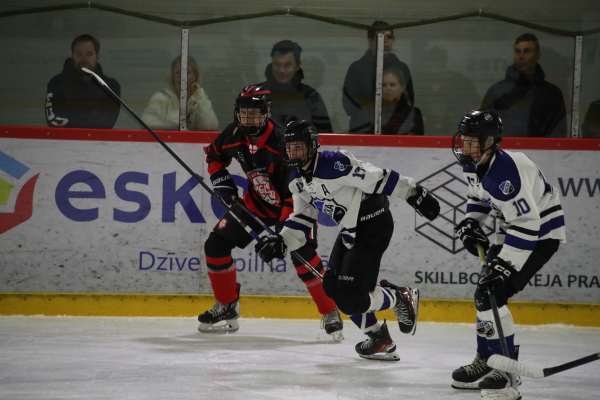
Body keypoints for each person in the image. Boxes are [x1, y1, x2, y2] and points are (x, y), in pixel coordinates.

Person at [254, 120, 440, 361]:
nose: (293, 153)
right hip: (350, 230)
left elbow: (377, 178)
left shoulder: (334, 163)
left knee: (353, 298)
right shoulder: (296, 178)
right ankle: (379, 339)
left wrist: (413, 192)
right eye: (289, 148)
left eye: (298, 147)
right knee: (333, 287)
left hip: (373, 225)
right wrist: (283, 240)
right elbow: (304, 214)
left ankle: (400, 297)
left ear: (312, 146)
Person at [197, 86, 343, 341]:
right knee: (216, 245)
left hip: (295, 206)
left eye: (254, 113)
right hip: (256, 204)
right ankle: (227, 305)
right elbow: (215, 156)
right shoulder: (234, 133)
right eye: (244, 113)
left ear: (267, 112)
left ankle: (330, 311)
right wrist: (221, 181)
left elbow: (294, 190)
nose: (248, 119)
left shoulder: (282, 142)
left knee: (302, 255)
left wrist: (284, 232)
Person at [451, 110, 566, 400]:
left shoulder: (506, 174)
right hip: (512, 229)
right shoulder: (474, 162)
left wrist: (505, 265)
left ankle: (507, 372)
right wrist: (471, 222)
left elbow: (529, 224)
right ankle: (487, 360)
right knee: (484, 294)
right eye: (463, 140)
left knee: (493, 291)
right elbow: (478, 197)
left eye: (472, 141)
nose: (465, 146)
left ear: (489, 142)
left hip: (540, 235)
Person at [480, 33, 567, 138]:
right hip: (504, 147)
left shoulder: (551, 93)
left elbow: (559, 134)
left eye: (527, 51)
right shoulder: (496, 91)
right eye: (517, 51)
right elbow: (483, 128)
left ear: (537, 56)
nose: (521, 56)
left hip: (540, 148)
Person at [342, 21, 415, 134]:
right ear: (370, 40)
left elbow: (408, 102)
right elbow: (348, 104)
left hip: (396, 131)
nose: (385, 41)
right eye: (380, 37)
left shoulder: (402, 68)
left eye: (389, 37)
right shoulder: (357, 68)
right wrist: (365, 117)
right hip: (363, 131)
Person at [45, 34, 121, 129]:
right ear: (72, 56)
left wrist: (73, 120)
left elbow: (107, 123)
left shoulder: (110, 86)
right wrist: (91, 118)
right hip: (65, 138)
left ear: (97, 57)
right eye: (79, 54)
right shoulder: (57, 82)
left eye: (89, 54)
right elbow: (53, 119)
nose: (83, 59)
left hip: (96, 139)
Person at [257, 40, 333, 133]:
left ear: (297, 65)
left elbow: (326, 136)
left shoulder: (310, 96)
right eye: (277, 64)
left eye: (287, 65)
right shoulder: (256, 94)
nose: (281, 70)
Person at [141, 55, 219, 131]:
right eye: (177, 72)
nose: (182, 77)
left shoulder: (199, 101)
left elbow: (209, 126)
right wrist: (178, 128)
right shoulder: (161, 98)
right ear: (173, 76)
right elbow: (146, 121)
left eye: (187, 73)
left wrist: (200, 95)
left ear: (195, 76)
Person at [380, 68, 423, 135]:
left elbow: (415, 138)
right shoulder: (373, 112)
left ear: (402, 88)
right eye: (384, 85)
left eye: (392, 85)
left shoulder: (413, 114)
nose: (387, 89)